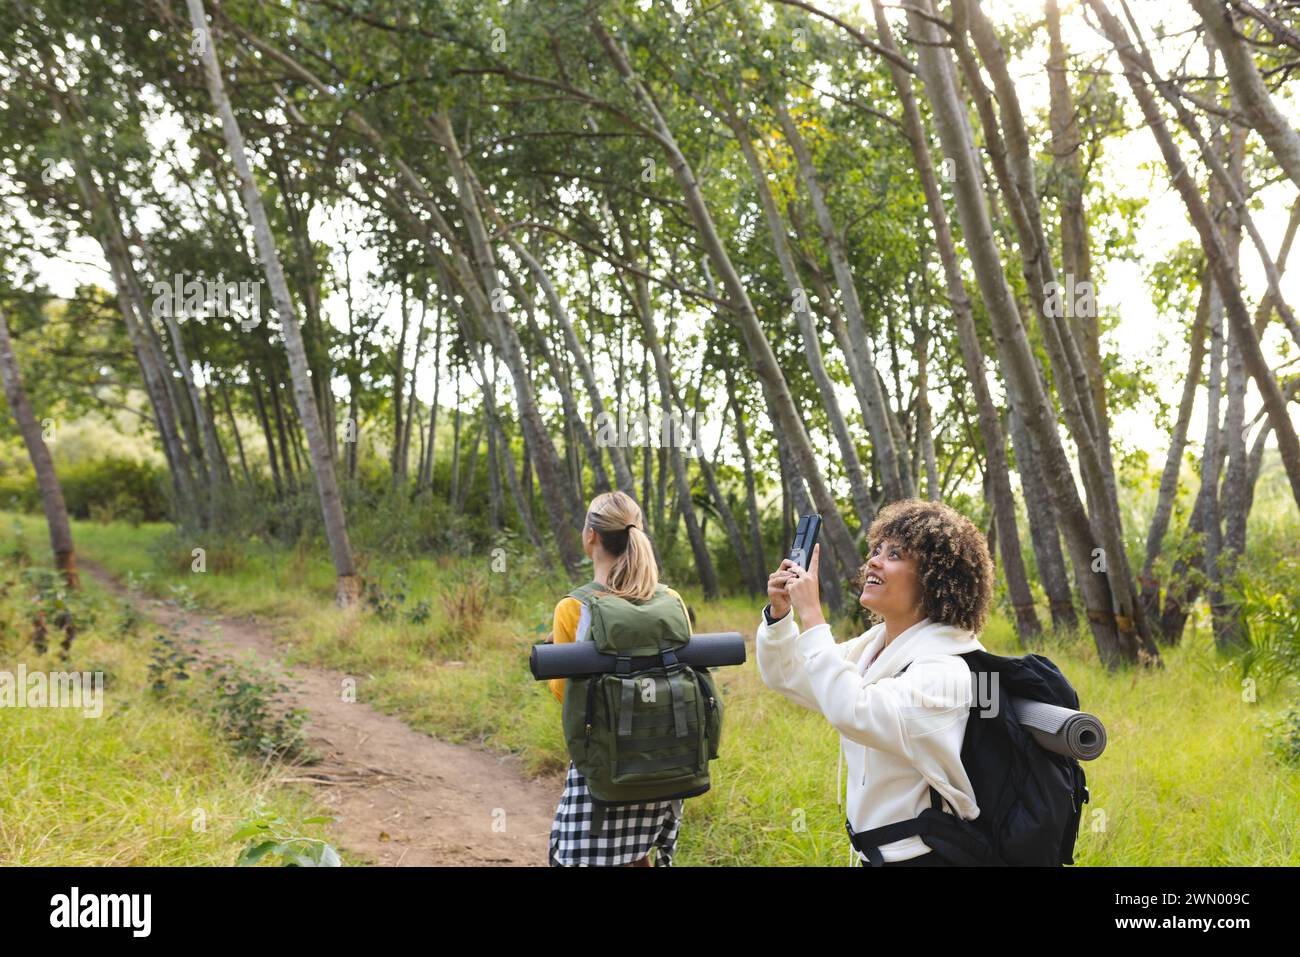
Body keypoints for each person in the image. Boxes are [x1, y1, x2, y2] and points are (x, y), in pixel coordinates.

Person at [756, 499, 995, 866]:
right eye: (876, 550)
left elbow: (855, 711)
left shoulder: (948, 670)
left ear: (934, 578)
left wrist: (813, 617)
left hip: (923, 857)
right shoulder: (874, 646)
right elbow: (792, 676)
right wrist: (780, 615)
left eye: (895, 554)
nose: (874, 562)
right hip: (877, 855)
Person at [546, 490, 694, 867]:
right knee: (637, 855)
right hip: (665, 768)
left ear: (590, 535)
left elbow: (567, 695)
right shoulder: (671, 600)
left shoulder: (573, 607)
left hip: (603, 772)